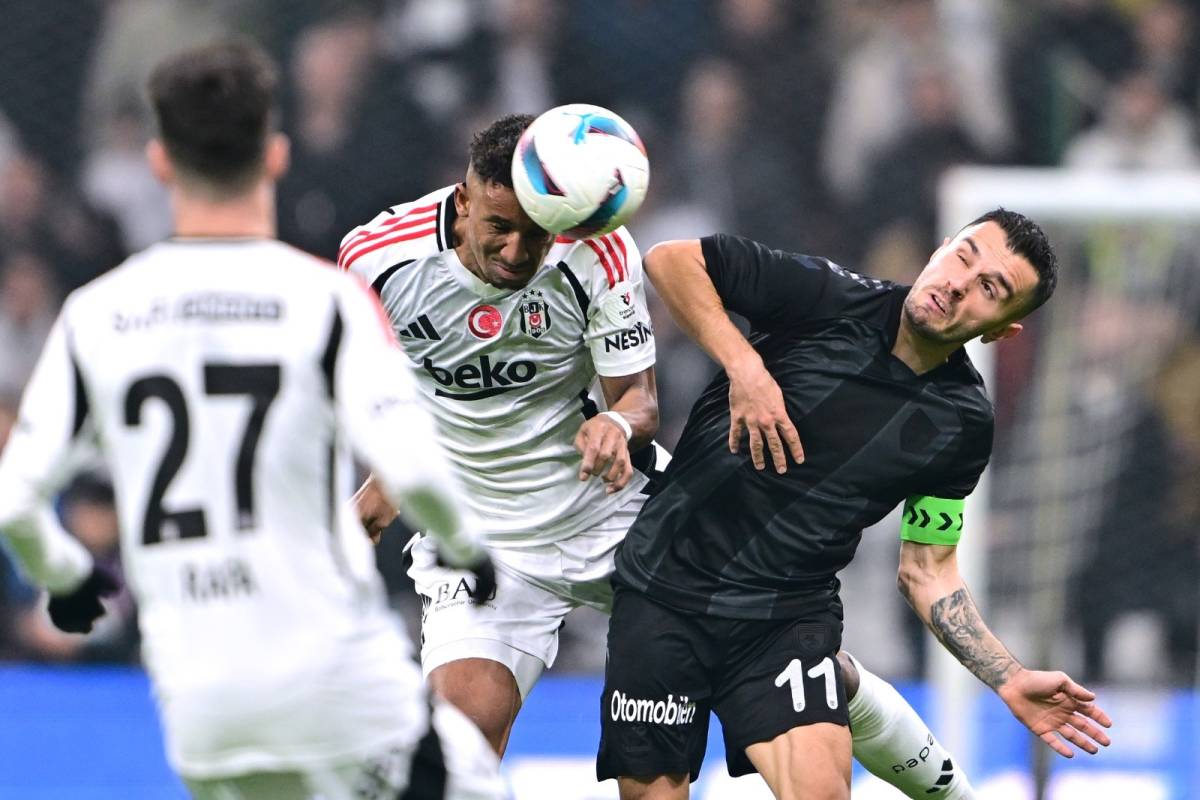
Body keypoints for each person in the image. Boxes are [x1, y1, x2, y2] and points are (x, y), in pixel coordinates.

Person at [344, 113, 989, 800]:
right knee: (457, 753)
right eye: (499, 227)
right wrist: (384, 486)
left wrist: (615, 425)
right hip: (483, 539)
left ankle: (945, 787)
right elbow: (397, 396)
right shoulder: (377, 260)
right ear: (464, 198)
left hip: (618, 517)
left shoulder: (597, 251)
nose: (515, 251)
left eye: (536, 233)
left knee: (795, 671)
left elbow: (639, 401)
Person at [0, 41, 503, 800]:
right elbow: (413, 468)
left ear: (160, 162)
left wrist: (69, 581)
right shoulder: (327, 300)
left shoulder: (96, 315)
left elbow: (14, 502)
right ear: (275, 155)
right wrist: (468, 547)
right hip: (335, 681)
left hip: (200, 706)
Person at [598, 211, 1114, 799]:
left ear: (1002, 331)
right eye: (963, 256)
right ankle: (849, 688)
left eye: (989, 289)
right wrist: (746, 368)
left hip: (783, 618)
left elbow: (927, 571)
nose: (958, 284)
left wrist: (1009, 676)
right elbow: (669, 259)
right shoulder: (828, 295)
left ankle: (844, 686)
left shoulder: (963, 424)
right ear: (941, 247)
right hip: (662, 589)